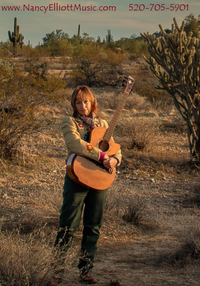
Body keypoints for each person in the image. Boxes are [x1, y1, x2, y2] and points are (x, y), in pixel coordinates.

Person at [54, 85, 122, 284]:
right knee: (68, 224)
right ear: (73, 105)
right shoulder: (70, 122)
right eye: (78, 102)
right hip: (76, 177)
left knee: (93, 225)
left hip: (100, 178)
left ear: (92, 102)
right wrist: (102, 156)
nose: (83, 106)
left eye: (86, 101)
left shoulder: (102, 123)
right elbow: (75, 144)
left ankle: (86, 269)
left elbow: (115, 149)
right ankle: (56, 269)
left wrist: (115, 160)